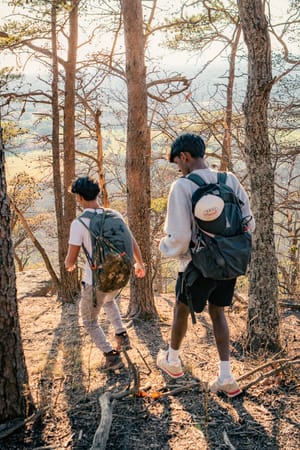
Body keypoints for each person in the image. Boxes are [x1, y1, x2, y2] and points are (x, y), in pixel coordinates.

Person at [156, 133, 255, 397]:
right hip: (230, 262)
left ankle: (173, 361)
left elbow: (180, 237)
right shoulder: (229, 179)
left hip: (196, 264)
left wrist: (163, 248)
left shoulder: (183, 186)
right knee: (218, 312)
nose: (178, 168)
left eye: (177, 162)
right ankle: (226, 376)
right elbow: (249, 222)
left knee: (181, 308)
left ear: (185, 156)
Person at [65, 176, 146, 371]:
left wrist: (69, 265)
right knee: (109, 301)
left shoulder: (80, 223)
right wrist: (139, 263)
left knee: (90, 321)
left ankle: (111, 356)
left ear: (80, 197)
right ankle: (122, 336)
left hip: (96, 281)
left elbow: (70, 259)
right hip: (120, 276)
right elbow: (132, 241)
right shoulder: (114, 215)